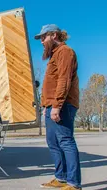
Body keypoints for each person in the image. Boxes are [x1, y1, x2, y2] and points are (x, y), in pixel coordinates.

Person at [34, 24, 81, 190]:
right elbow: (52, 83)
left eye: (43, 37)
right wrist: (46, 105)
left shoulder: (65, 52)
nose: (41, 41)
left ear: (54, 35)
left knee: (66, 141)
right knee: (53, 142)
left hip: (63, 105)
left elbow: (64, 80)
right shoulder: (54, 55)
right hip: (51, 105)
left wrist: (57, 105)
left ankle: (73, 183)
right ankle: (60, 178)